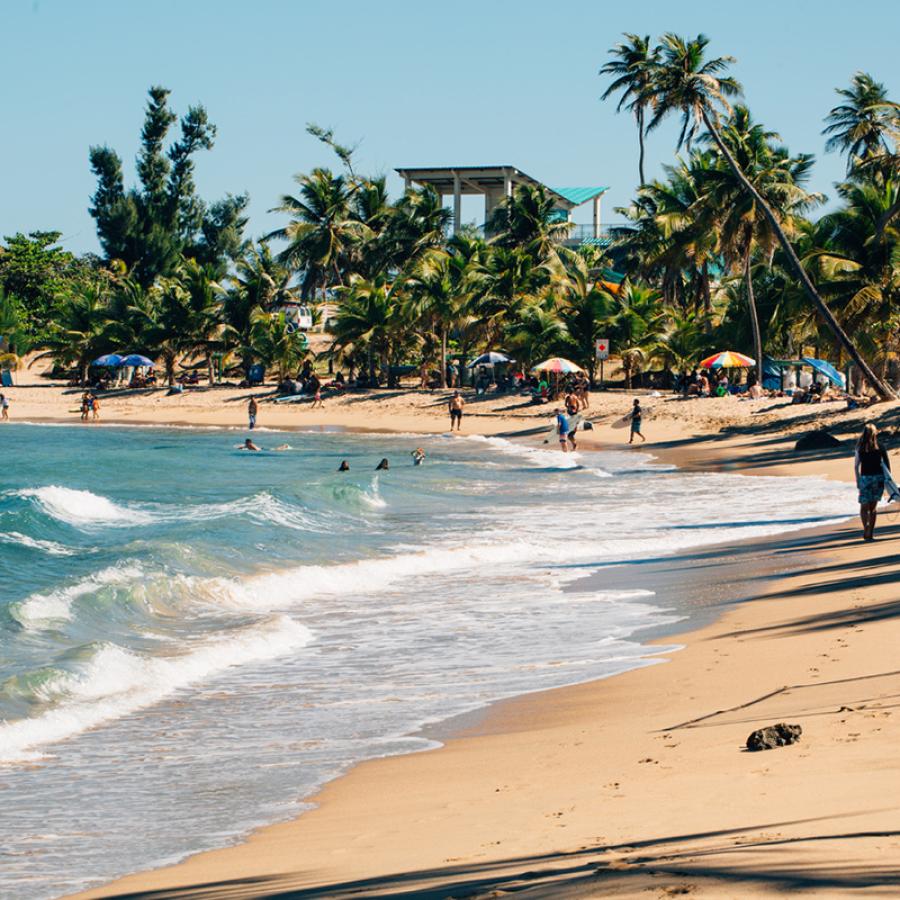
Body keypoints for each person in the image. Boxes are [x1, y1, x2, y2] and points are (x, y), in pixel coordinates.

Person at [855, 423, 890, 541]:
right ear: (875, 433)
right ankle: (871, 533)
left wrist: (858, 480)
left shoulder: (860, 447)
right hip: (878, 479)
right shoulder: (880, 446)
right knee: (873, 508)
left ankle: (866, 527)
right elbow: (887, 465)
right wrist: (887, 482)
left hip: (865, 479)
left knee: (864, 507)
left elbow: (856, 466)